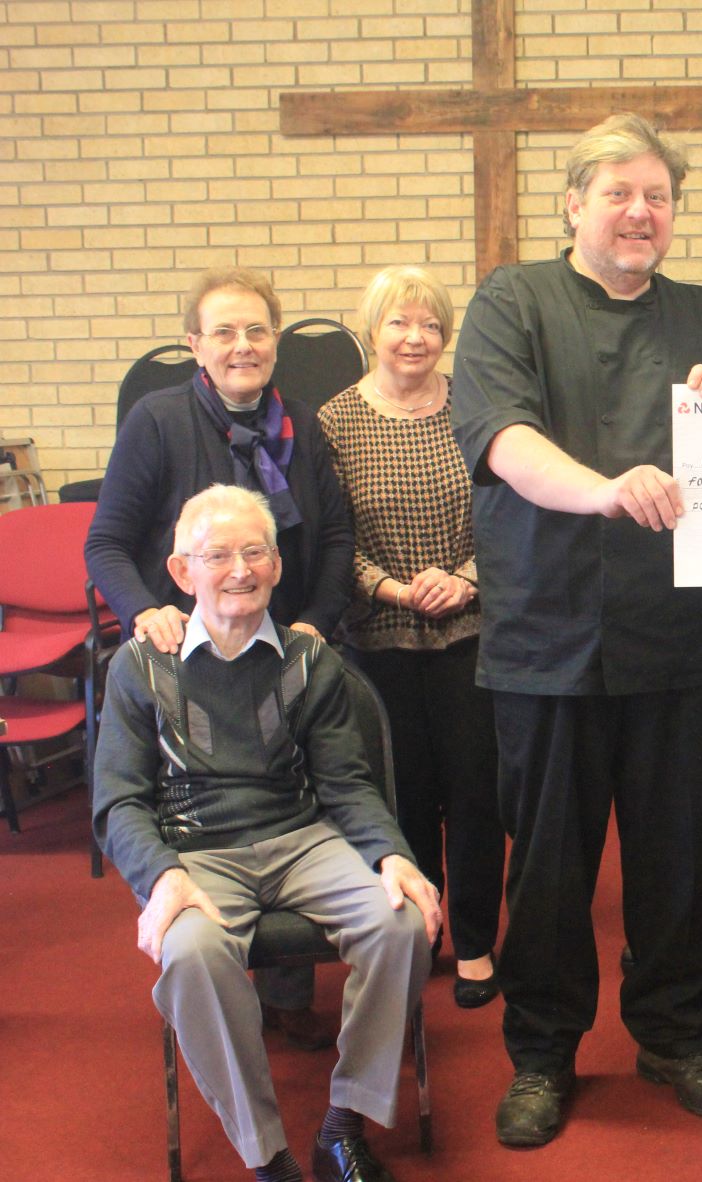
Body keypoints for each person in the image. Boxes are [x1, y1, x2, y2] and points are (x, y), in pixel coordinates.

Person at [449, 112, 702, 1149]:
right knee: (549, 863)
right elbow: (508, 446)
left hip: (680, 642)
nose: (639, 211)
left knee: (677, 858)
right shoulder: (510, 303)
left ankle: (672, 1034)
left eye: (657, 197)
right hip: (548, 638)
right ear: (573, 203)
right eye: (618, 193)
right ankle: (542, 1053)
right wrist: (608, 489)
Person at [92, 484, 439, 1182]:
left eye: (256, 552)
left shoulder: (311, 664)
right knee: (190, 951)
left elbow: (345, 784)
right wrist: (162, 876)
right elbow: (117, 802)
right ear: (182, 572)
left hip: (301, 836)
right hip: (194, 852)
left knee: (401, 922)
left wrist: (393, 855)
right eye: (216, 555)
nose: (240, 570)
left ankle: (344, 1125)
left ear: (278, 566)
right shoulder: (137, 667)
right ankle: (267, 1153)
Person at [86, 265, 356, 1052]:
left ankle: (288, 992)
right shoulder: (157, 420)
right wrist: (145, 610)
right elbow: (105, 540)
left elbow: (335, 538)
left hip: (289, 652)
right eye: (225, 332)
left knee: (296, 795)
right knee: (216, 807)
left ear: (276, 341)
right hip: (192, 656)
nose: (243, 346)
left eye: (257, 330)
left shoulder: (302, 421)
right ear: (195, 345)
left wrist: (314, 621)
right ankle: (215, 977)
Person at [318, 265, 504, 1010]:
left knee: (476, 797)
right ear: (372, 330)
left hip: (472, 633)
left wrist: (465, 577)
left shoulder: (476, 407)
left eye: (429, 324)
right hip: (377, 640)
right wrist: (388, 586)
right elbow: (333, 537)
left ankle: (479, 944)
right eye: (399, 322)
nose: (414, 337)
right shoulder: (335, 420)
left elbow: (508, 512)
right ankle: (417, 930)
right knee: (403, 797)